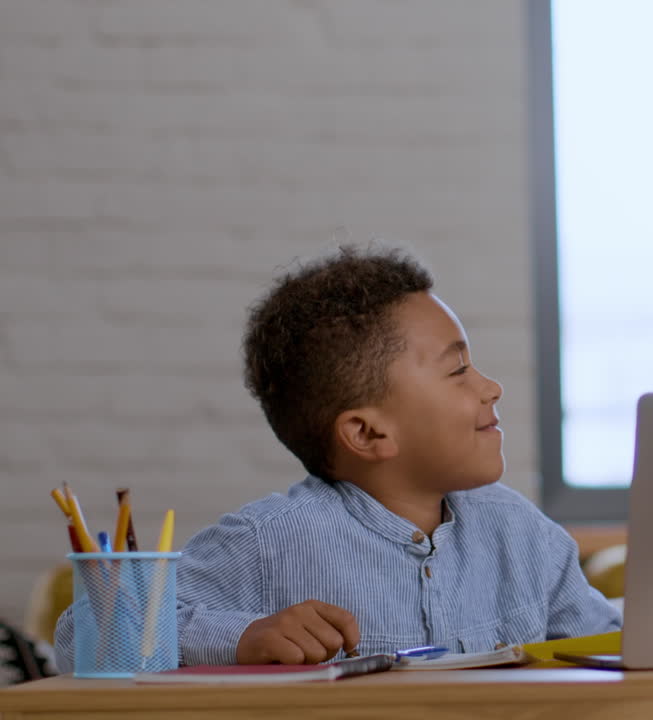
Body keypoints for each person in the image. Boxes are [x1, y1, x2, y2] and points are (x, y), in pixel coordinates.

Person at [56, 245, 620, 668]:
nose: (491, 387)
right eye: (457, 370)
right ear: (369, 434)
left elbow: (613, 646)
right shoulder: (268, 542)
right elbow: (81, 635)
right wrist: (245, 636)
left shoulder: (521, 533)